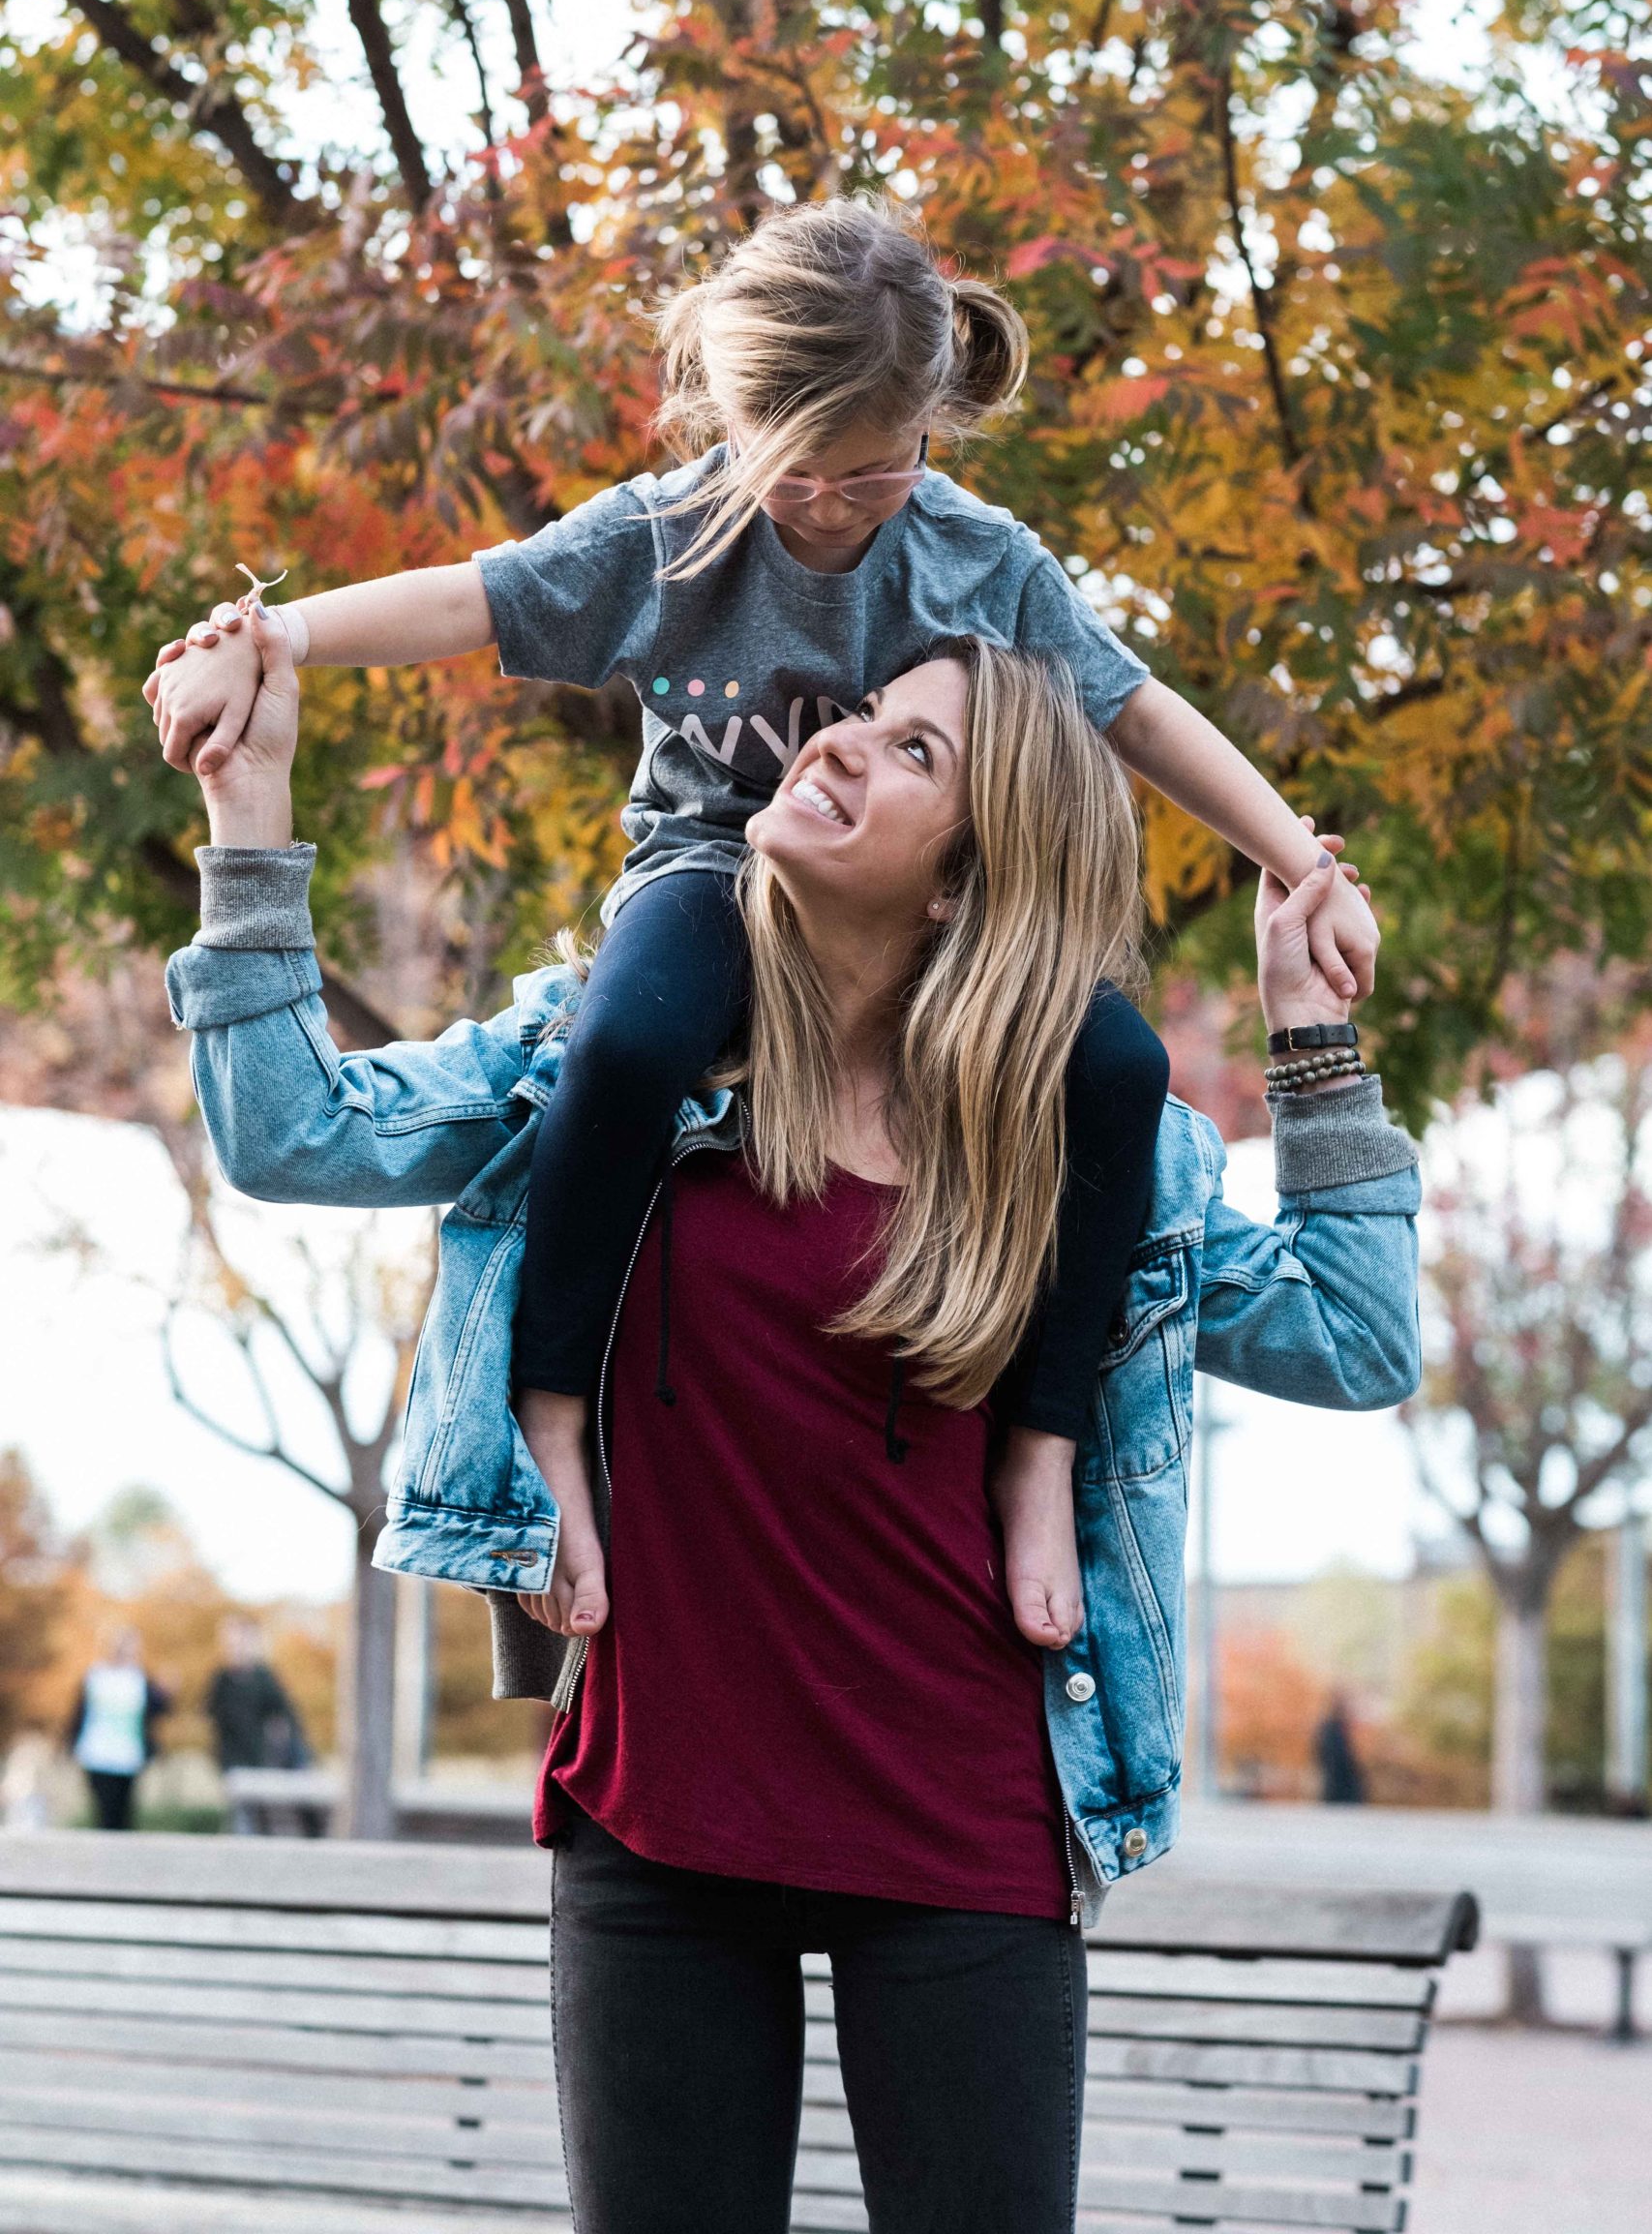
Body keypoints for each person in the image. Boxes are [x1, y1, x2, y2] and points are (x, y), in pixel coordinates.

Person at [165, 609, 1419, 2234]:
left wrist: (1311, 1040)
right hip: (657, 1834)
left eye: (916, 752)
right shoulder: (598, 1057)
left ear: (969, 875)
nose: (831, 742)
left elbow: (1356, 1340)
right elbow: (290, 1139)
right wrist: (248, 826)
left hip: (964, 1839)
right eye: (858, 716)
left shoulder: (1083, 1148)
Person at [144, 196, 1378, 1667]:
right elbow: (477, 598)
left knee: (1110, 1071)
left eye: (871, 477)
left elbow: (1136, 713)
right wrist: (282, 637)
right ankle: (551, 1408)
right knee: (631, 1040)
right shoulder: (668, 532)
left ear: (930, 425)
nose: (833, 510)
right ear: (730, 430)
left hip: (919, 925)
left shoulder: (977, 559)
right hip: (706, 877)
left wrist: (1299, 862)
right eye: (796, 479)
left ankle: (1040, 1448)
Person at [205, 1618, 318, 1833]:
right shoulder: (221, 1679)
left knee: (263, 1814)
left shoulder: (264, 1677)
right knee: (242, 1816)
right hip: (234, 1759)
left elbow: (285, 1713)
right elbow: (211, 1715)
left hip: (262, 1758)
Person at [66, 1627, 171, 1832]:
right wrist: (70, 1745)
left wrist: (165, 1693)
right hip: (98, 1755)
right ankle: (104, 1859)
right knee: (105, 1813)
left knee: (125, 1815)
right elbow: (79, 1713)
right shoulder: (96, 1676)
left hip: (129, 1756)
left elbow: (158, 1711)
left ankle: (121, 1860)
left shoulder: (138, 1678)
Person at [1314, 1692, 1367, 1805]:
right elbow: (1332, 1760)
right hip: (1338, 1790)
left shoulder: (1335, 1729)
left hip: (1340, 1789)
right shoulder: (1331, 1730)